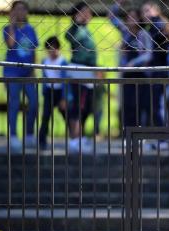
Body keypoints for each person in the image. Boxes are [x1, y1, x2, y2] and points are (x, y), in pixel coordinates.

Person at [108, 6, 153, 132]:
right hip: (127, 75)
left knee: (139, 105)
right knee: (127, 105)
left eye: (134, 17)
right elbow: (111, 17)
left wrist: (133, 63)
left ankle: (140, 134)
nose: (131, 19)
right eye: (129, 17)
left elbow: (149, 54)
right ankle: (127, 134)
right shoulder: (125, 32)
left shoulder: (144, 34)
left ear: (139, 19)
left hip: (140, 74)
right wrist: (118, 3)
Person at [3, 0, 39, 151]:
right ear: (12, 12)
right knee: (14, 103)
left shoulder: (31, 29)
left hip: (28, 72)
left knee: (34, 102)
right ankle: (13, 136)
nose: (20, 12)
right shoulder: (7, 28)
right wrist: (12, 24)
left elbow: (34, 50)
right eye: (17, 9)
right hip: (12, 72)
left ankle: (29, 134)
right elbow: (11, 44)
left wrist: (34, 69)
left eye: (23, 9)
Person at [65, 1, 96, 152]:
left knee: (86, 106)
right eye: (84, 11)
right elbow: (68, 36)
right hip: (79, 70)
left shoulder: (87, 30)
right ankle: (74, 139)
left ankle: (80, 136)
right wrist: (76, 23)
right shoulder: (76, 30)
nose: (87, 14)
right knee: (78, 105)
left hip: (89, 71)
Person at [141, 1, 169, 127]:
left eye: (148, 11)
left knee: (158, 105)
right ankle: (160, 135)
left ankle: (163, 136)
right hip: (154, 72)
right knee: (153, 105)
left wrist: (154, 18)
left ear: (156, 11)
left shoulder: (159, 25)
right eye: (144, 12)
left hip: (160, 72)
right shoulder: (151, 28)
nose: (145, 14)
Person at [39, 36, 69, 150]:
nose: (51, 51)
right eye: (49, 49)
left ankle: (74, 139)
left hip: (60, 91)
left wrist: (64, 98)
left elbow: (65, 81)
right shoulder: (44, 61)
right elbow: (44, 77)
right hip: (49, 91)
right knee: (46, 116)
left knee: (66, 115)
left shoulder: (63, 62)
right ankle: (42, 141)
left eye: (53, 48)